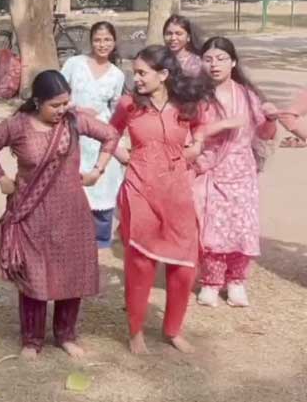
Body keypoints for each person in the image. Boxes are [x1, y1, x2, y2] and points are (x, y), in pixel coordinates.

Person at [0, 71, 120, 359]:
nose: (62, 109)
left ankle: (66, 335)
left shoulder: (74, 121)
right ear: (38, 101)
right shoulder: (17, 125)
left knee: (72, 275)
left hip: (72, 213)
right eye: (55, 105)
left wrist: (97, 171)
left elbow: (111, 135)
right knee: (34, 277)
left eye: (66, 103)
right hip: (32, 213)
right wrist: (0, 178)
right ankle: (32, 340)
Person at [109, 46, 215, 355]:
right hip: (139, 190)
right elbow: (110, 133)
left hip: (177, 191)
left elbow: (200, 126)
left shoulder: (186, 105)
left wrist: (197, 144)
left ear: (164, 74)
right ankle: (136, 332)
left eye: (142, 73)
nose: (136, 79)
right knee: (141, 263)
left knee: (184, 266)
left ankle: (172, 330)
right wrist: (123, 156)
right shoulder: (129, 105)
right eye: (135, 72)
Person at [192, 37, 278, 308]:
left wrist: (271, 119)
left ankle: (236, 281)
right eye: (208, 59)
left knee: (242, 226)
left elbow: (265, 133)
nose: (214, 65)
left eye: (221, 59)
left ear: (233, 62)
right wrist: (221, 125)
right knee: (211, 228)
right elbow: (189, 133)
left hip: (242, 172)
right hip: (210, 169)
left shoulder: (247, 96)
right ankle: (211, 281)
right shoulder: (196, 96)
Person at [60, 22, 127, 248]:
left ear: (114, 42)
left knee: (103, 183)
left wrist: (116, 139)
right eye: (98, 40)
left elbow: (116, 110)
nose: (102, 44)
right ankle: (72, 236)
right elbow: (58, 94)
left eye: (107, 40)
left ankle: (100, 241)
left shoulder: (117, 75)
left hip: (101, 134)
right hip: (73, 129)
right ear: (91, 41)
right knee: (72, 180)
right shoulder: (74, 64)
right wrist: (76, 109)